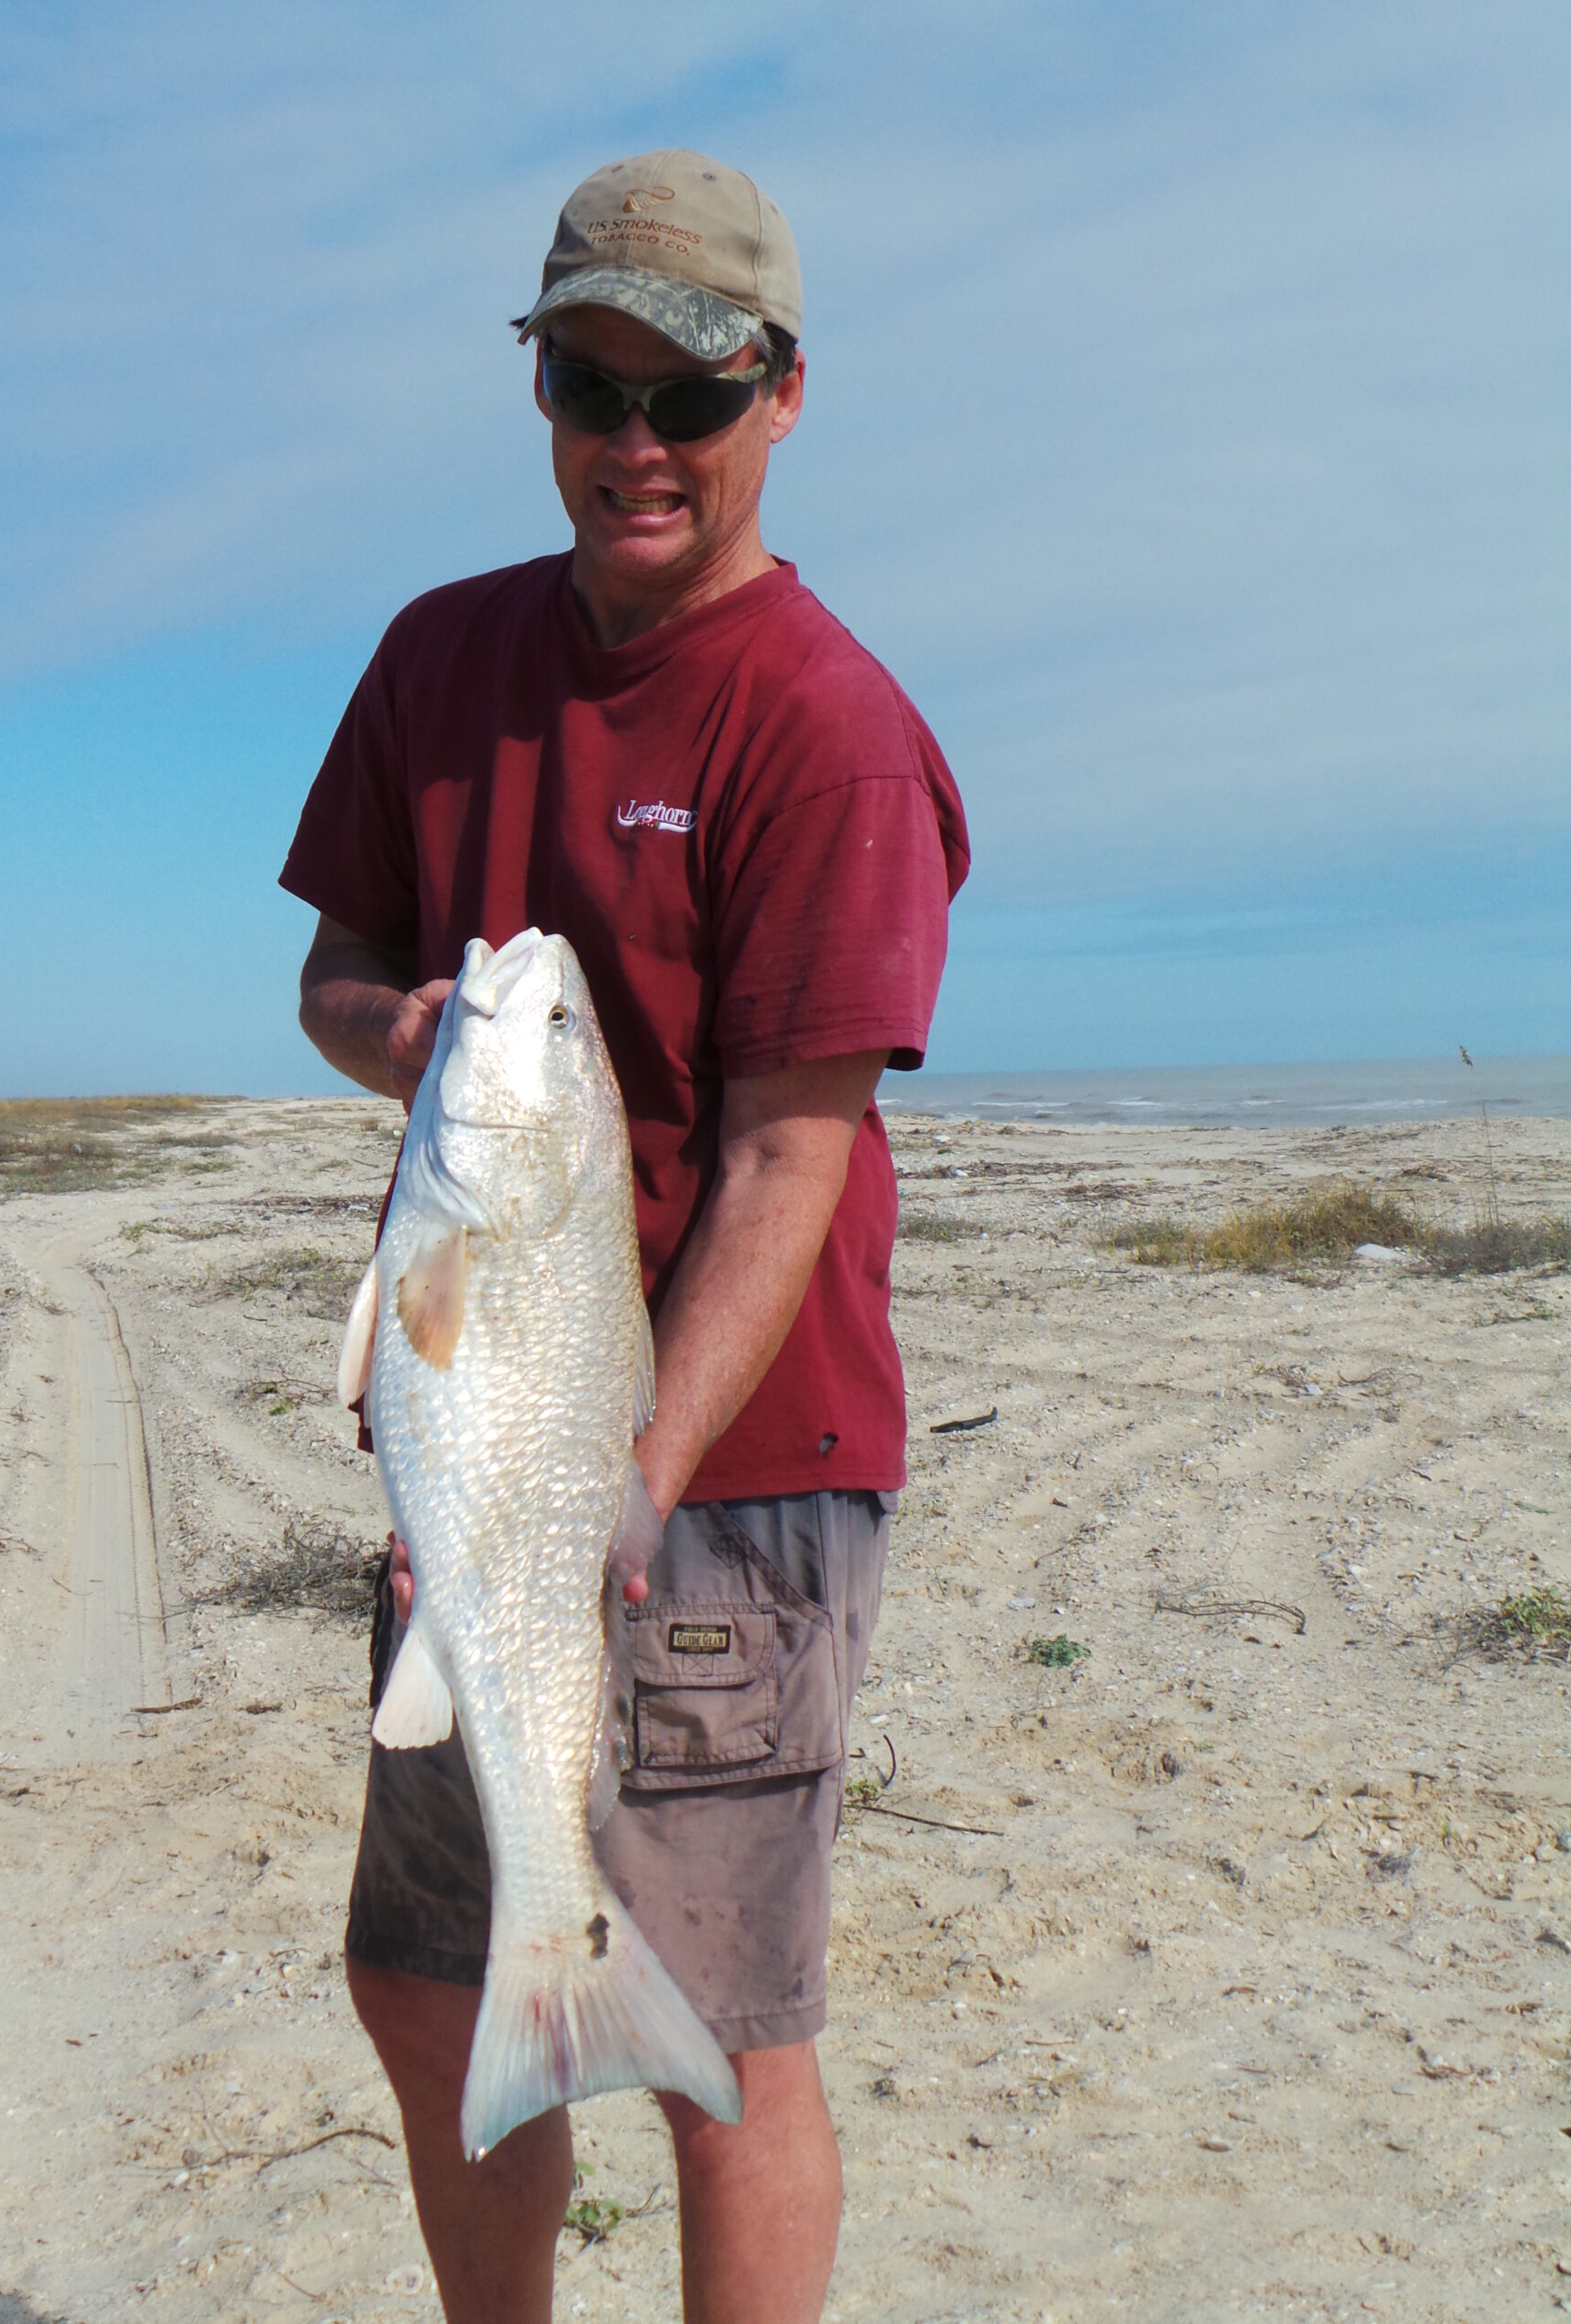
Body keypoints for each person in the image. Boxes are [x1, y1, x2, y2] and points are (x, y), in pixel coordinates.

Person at [282, 147, 969, 2324]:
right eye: (592, 387)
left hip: (729, 1480)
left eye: (689, 395)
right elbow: (336, 973)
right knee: (424, 1981)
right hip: (487, 1456)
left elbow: (788, 1158)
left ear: (782, 394)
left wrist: (626, 1475)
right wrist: (414, 1033)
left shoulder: (829, 728)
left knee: (723, 2051)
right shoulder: (440, 654)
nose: (636, 447)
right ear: (544, 392)